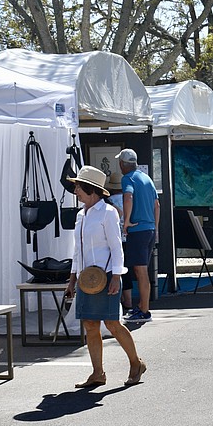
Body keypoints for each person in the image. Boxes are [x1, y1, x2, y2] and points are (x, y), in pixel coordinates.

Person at [64, 166, 146, 388]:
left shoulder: (108, 213)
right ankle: (98, 373)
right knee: (90, 325)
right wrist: (72, 280)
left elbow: (116, 247)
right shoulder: (81, 214)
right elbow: (77, 250)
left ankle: (136, 363)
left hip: (107, 276)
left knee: (112, 323)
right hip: (86, 279)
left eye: (78, 187)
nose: (75, 191)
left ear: (90, 189)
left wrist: (116, 277)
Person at [116, 149, 160, 324]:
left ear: (122, 164)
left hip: (138, 230)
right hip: (148, 229)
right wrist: (155, 227)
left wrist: (126, 221)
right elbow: (157, 205)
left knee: (140, 271)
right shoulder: (146, 178)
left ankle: (144, 311)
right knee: (141, 270)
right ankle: (143, 306)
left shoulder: (128, 178)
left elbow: (128, 197)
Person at [105, 179, 133, 314]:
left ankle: (120, 299)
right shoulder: (129, 200)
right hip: (128, 237)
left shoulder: (108, 202)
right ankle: (129, 300)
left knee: (115, 268)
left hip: (115, 238)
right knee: (126, 268)